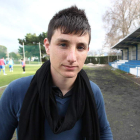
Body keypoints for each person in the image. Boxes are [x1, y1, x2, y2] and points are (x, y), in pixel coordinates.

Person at [0, 6, 113, 140]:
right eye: (63, 44)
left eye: (80, 47)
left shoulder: (93, 92)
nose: (72, 57)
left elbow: (104, 132)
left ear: (87, 50)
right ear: (47, 46)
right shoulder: (16, 91)